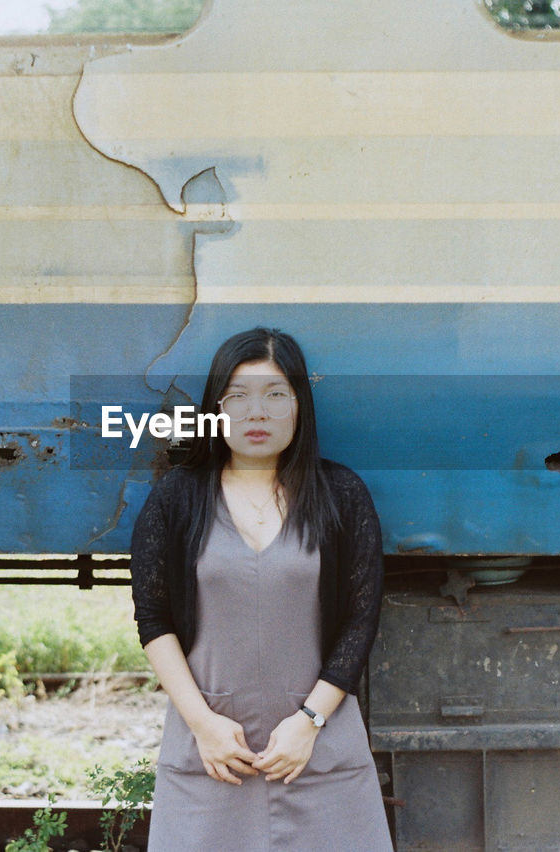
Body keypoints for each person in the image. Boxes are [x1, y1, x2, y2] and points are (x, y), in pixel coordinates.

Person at [129, 327, 393, 850]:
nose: (257, 413)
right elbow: (153, 619)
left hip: (316, 748)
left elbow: (360, 620)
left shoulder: (341, 495)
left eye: (275, 395)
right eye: (238, 397)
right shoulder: (177, 499)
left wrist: (309, 722)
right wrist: (202, 724)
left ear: (299, 407)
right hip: (213, 754)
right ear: (216, 408)